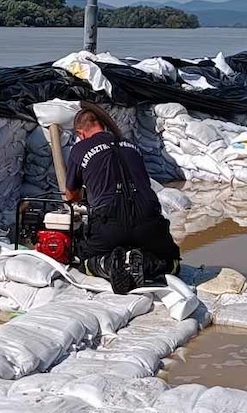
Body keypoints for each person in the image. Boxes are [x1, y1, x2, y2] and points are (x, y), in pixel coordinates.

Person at [64, 101, 182, 294]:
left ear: (80, 133)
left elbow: (71, 195)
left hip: (109, 224)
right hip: (148, 220)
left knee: (82, 259)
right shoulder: (131, 146)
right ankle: (144, 263)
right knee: (173, 262)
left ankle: (109, 264)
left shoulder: (80, 149)